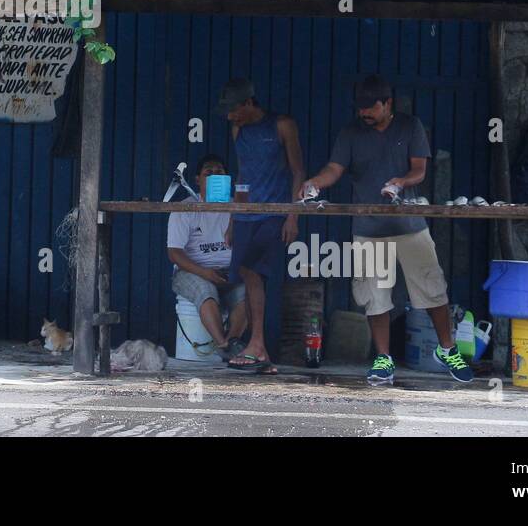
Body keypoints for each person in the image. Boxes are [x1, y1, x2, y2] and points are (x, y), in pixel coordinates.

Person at [300, 74, 473, 386]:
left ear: (388, 103)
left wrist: (399, 182)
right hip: (368, 227)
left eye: (371, 108)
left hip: (409, 224)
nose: (364, 114)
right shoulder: (350, 132)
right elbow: (334, 170)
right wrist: (314, 183)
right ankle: (383, 358)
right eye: (361, 109)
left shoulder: (410, 126)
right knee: (374, 296)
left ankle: (448, 349)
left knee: (432, 287)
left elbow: (419, 170)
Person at [216, 78, 304, 374]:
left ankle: (257, 345)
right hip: (245, 215)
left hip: (273, 213)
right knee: (247, 275)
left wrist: (293, 215)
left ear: (249, 102)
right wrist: (233, 217)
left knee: (256, 274)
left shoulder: (282, 125)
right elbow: (244, 172)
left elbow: (298, 171)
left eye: (233, 110)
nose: (230, 116)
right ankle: (259, 348)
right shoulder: (238, 129)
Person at [167, 154, 249, 360]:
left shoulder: (235, 207)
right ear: (197, 180)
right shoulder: (185, 208)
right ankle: (223, 346)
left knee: (247, 294)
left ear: (227, 179)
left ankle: (232, 343)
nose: (214, 176)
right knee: (206, 292)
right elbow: (174, 253)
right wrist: (206, 273)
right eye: (208, 173)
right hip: (192, 271)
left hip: (227, 271)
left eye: (219, 173)